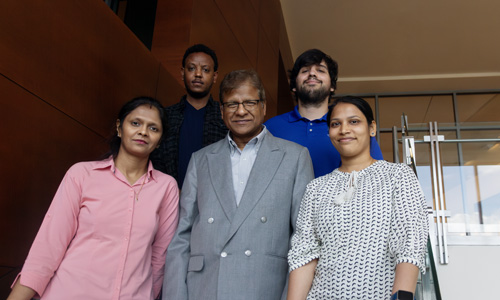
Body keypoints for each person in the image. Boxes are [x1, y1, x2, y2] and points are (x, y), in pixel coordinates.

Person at [162, 69, 314, 300]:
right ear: (221, 111)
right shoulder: (201, 159)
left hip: (266, 287)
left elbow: (304, 238)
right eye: (232, 104)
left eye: (249, 102)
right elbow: (182, 236)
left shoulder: (294, 157)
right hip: (204, 287)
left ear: (263, 107)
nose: (241, 111)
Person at [8, 97, 179, 300]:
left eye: (153, 128)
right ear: (119, 127)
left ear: (160, 140)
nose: (143, 131)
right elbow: (49, 245)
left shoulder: (166, 187)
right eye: (135, 123)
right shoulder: (82, 174)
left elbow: (159, 259)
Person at [287, 96, 428, 299]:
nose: (344, 129)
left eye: (354, 121)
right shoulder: (315, 189)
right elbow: (303, 255)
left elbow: (410, 244)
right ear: (329, 132)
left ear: (372, 128)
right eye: (336, 124)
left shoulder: (398, 176)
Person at [265, 49, 383, 178]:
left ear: (332, 85)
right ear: (294, 86)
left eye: (320, 70)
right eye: (305, 71)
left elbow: (375, 176)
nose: (312, 74)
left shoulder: (352, 130)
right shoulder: (270, 128)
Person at [151, 44, 227, 188]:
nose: (198, 74)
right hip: (168, 198)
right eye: (191, 68)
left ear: (214, 76)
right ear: (182, 73)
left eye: (205, 70)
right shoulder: (164, 116)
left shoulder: (225, 116)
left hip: (212, 201)